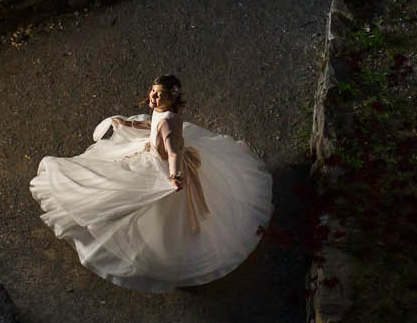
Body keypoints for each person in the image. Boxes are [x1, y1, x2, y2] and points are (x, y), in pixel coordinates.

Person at [31, 74, 273, 292]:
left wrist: (175, 176)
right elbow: (152, 125)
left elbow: (175, 151)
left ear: (171, 98)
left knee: (153, 210)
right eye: (152, 91)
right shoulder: (163, 115)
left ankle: (168, 257)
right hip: (150, 152)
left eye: (159, 94)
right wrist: (128, 124)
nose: (153, 97)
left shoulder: (169, 122)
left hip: (162, 165)